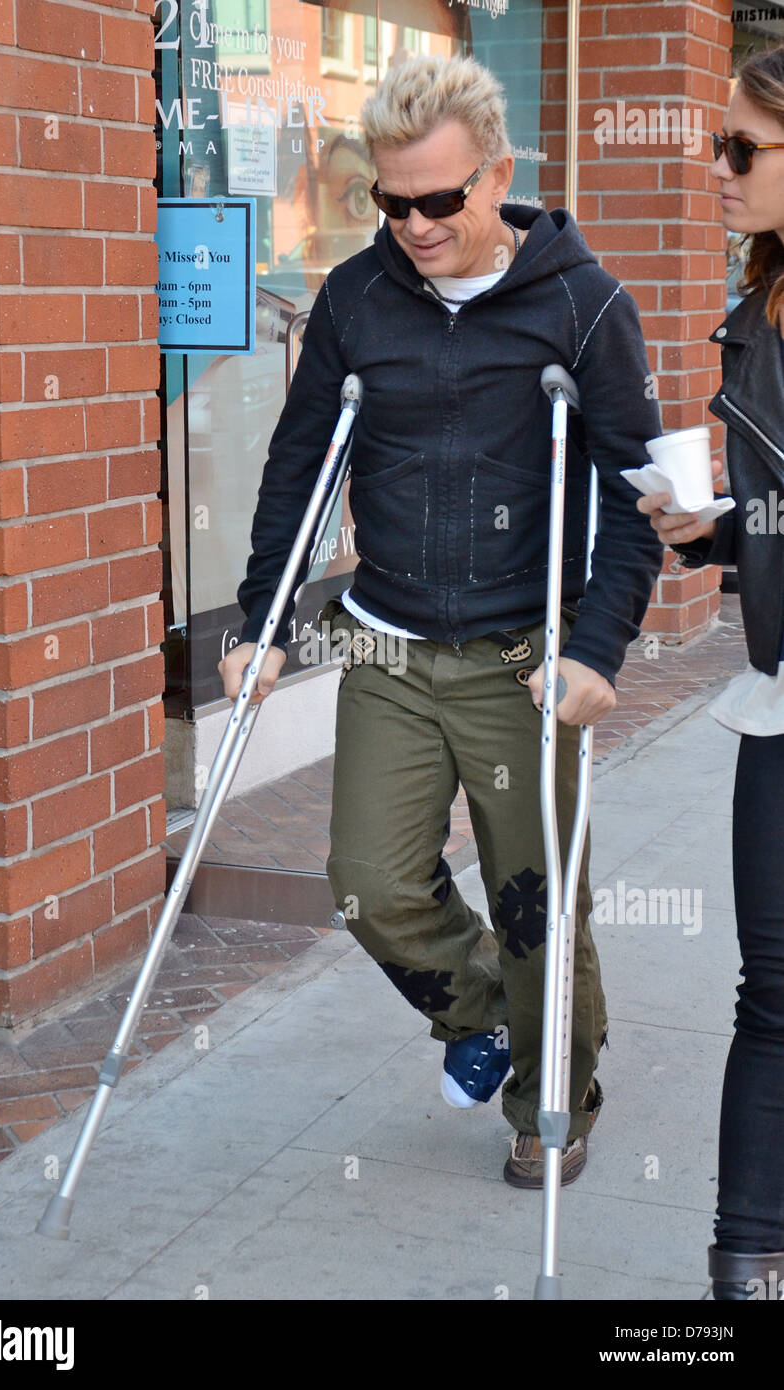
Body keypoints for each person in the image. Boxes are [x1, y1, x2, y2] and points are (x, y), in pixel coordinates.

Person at [221, 53, 663, 1188]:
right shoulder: (357, 300)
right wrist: (261, 620)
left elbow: (630, 500)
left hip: (529, 656)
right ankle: (493, 1019)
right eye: (389, 200)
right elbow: (298, 467)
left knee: (535, 900)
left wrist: (599, 649)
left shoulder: (583, 305)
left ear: (497, 175)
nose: (411, 224)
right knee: (367, 877)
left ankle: (550, 1098)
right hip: (389, 639)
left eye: (437, 199)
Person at [637, 45, 784, 1298]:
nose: (719, 172)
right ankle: (744, 1274)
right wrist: (717, 528)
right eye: (716, 147)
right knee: (773, 997)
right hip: (782, 703)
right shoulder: (760, 312)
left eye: (743, 150)